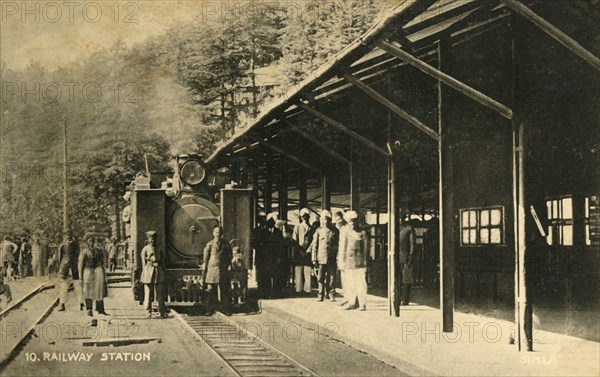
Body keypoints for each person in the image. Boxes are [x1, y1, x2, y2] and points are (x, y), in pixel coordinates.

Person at [340, 211, 368, 311]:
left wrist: (365, 262)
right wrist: (342, 260)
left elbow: (366, 249)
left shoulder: (363, 232)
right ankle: (351, 303)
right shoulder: (347, 233)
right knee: (350, 284)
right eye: (350, 221)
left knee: (360, 284)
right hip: (348, 262)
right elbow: (344, 248)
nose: (352, 223)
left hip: (359, 262)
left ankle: (362, 304)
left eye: (354, 221)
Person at [202, 226, 232, 313]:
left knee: (224, 290)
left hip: (222, 269)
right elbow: (206, 257)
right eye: (216, 233)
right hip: (212, 269)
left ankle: (224, 309)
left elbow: (229, 256)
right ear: (213, 233)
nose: (218, 234)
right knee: (210, 290)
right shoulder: (210, 244)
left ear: (222, 234)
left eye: (220, 233)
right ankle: (209, 309)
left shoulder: (226, 244)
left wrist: (228, 265)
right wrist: (205, 266)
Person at [310, 210, 338, 302]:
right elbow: (315, 245)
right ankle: (320, 294)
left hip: (331, 258)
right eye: (323, 219)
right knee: (320, 277)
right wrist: (314, 259)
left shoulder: (335, 231)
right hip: (321, 257)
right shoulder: (319, 231)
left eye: (326, 219)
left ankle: (331, 293)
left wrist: (337, 257)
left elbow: (338, 245)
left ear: (329, 220)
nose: (324, 221)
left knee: (332, 277)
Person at [79, 233, 109, 317]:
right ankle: (89, 309)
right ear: (87, 242)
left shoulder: (97, 250)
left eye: (93, 241)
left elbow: (102, 260)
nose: (92, 243)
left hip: (96, 271)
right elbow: (80, 264)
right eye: (90, 241)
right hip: (88, 271)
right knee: (88, 290)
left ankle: (100, 309)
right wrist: (80, 277)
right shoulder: (84, 251)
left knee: (99, 289)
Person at [140, 231, 167, 318]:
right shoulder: (145, 249)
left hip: (158, 271)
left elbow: (162, 261)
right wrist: (144, 273)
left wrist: (162, 270)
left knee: (160, 292)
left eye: (154, 239)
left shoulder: (159, 249)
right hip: (148, 271)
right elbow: (143, 263)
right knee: (148, 292)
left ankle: (162, 311)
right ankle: (148, 311)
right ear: (148, 240)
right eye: (151, 239)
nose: (153, 241)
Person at [57, 232, 83, 311]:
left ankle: (80, 303)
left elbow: (59, 258)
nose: (69, 237)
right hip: (68, 267)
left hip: (68, 267)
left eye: (69, 235)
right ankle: (63, 304)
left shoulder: (63, 245)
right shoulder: (75, 245)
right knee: (67, 286)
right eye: (68, 235)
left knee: (74, 286)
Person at [263, 214, 285, 298]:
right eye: (269, 222)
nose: (270, 223)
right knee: (266, 276)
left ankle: (276, 293)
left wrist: (279, 257)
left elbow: (281, 246)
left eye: (272, 222)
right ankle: (266, 293)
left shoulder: (278, 232)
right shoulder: (264, 232)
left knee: (276, 276)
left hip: (275, 258)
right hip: (266, 258)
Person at [292, 208, 313, 295]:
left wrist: (308, 250)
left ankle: (307, 290)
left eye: (306, 216)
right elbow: (294, 241)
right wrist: (299, 250)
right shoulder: (297, 227)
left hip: (308, 253)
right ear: (301, 217)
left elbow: (313, 241)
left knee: (307, 271)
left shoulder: (312, 228)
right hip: (299, 253)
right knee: (298, 271)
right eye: (303, 216)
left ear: (309, 217)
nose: (305, 217)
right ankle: (298, 289)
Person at [398, 216, 416, 308]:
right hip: (398, 257)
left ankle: (405, 299)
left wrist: (411, 257)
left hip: (406, 258)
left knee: (406, 279)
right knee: (399, 279)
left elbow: (412, 244)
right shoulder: (396, 228)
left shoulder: (409, 229)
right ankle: (399, 297)